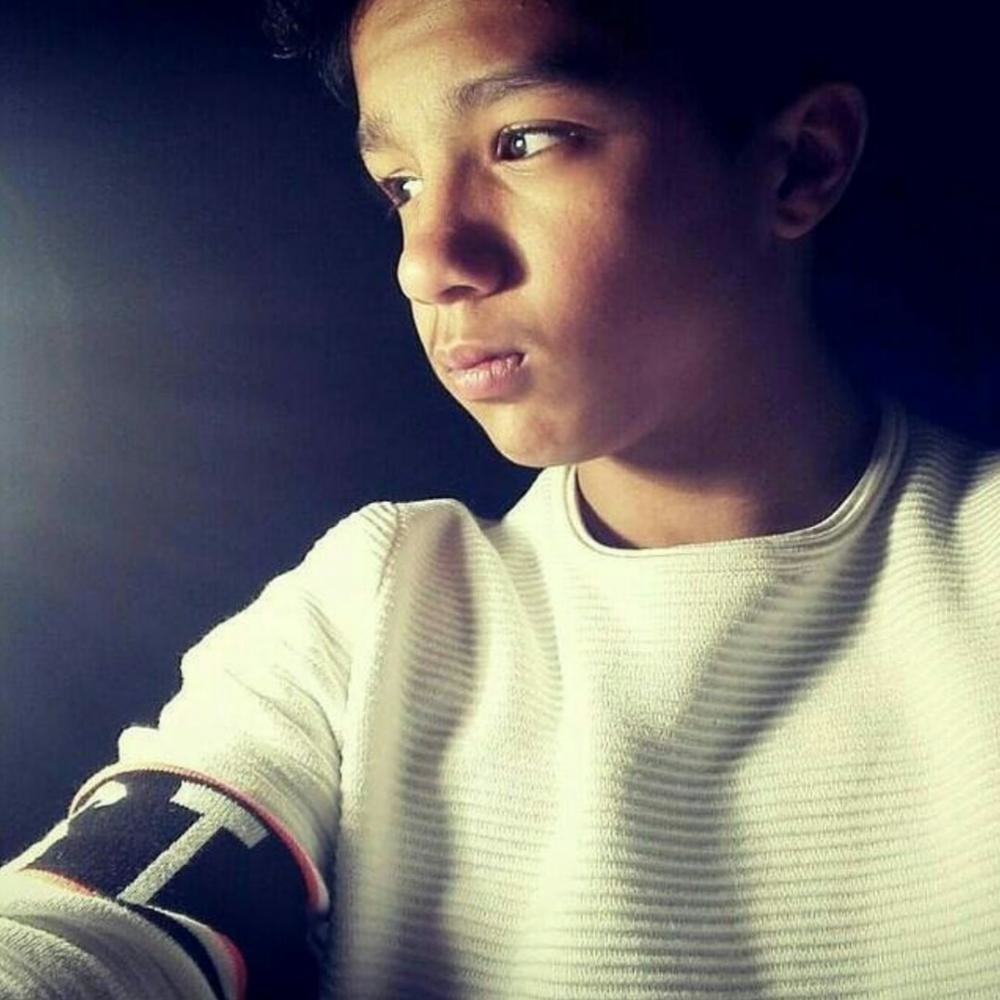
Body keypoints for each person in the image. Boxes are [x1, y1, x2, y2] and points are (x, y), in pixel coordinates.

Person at [1, 1, 998, 997]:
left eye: (525, 141)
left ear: (799, 163)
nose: (427, 261)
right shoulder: (378, 604)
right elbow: (98, 917)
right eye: (400, 185)